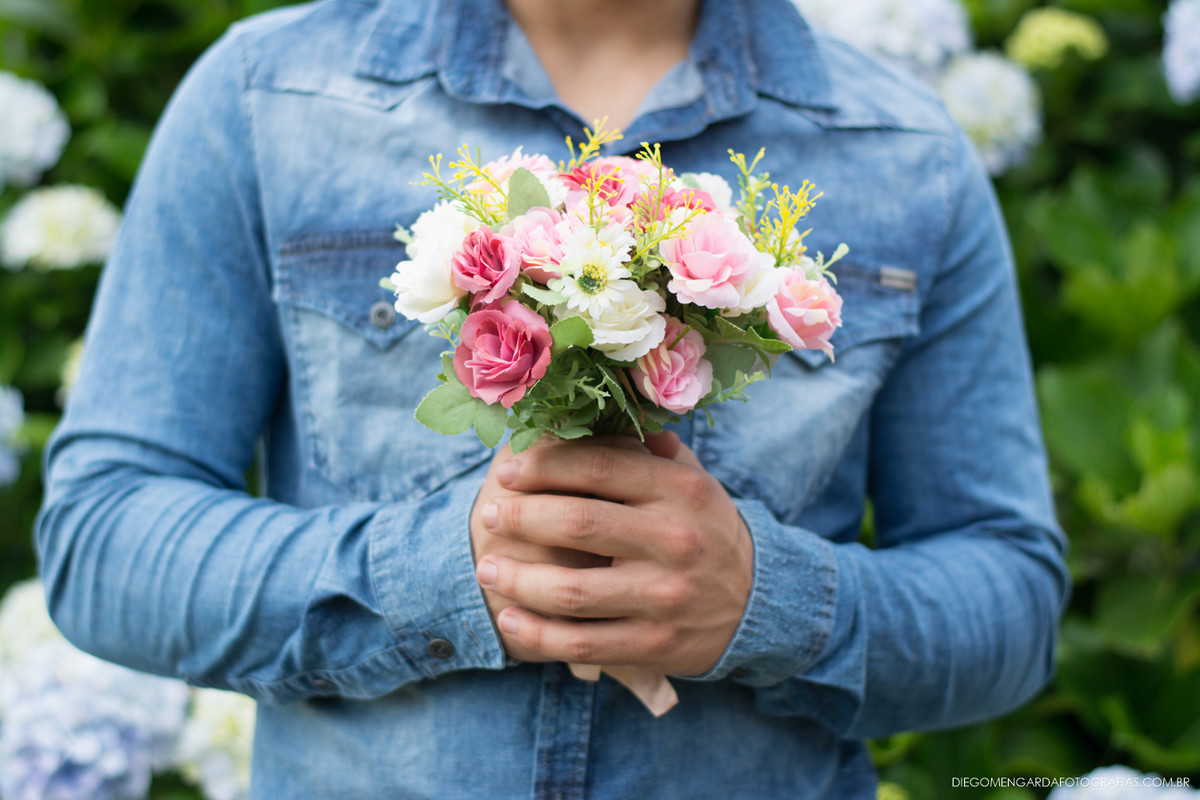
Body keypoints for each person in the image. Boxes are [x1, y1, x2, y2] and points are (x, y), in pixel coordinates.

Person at [35, 0, 1069, 797]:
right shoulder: (266, 99)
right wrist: (437, 574)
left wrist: (768, 602)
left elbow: (1011, 600)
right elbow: (104, 539)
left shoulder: (909, 151)